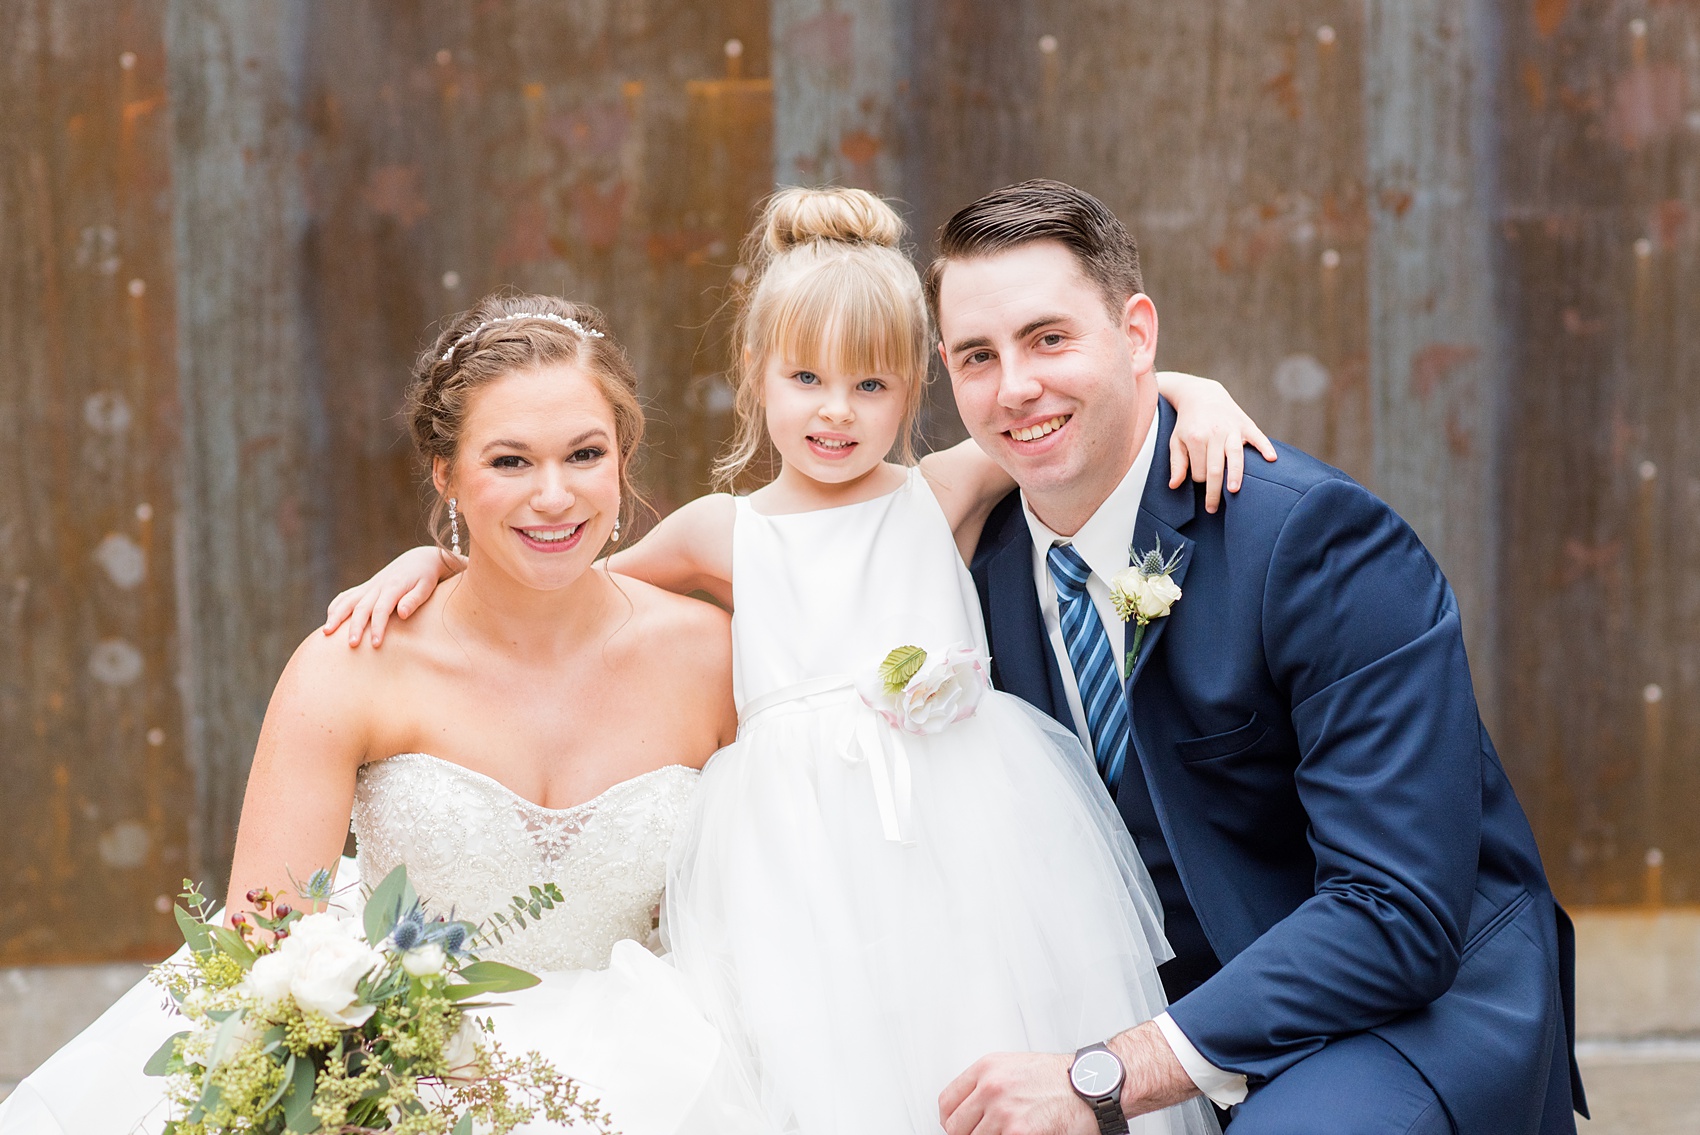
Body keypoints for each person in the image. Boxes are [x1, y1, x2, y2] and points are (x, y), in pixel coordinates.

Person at [322, 187, 1275, 1134]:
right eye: (806, 379)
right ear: (755, 372)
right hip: (793, 865)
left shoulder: (940, 490)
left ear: (918, 381)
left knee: (989, 1030)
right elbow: (559, 573)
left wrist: (1200, 393)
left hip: (971, 844)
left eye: (872, 385)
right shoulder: (720, 533)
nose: (838, 413)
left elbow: (1107, 402)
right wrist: (432, 559)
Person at [0, 296, 762, 1135]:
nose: (554, 495)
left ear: (623, 458)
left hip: (660, 1076)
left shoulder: (715, 659)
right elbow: (262, 946)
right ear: (445, 473)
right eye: (509, 461)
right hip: (397, 1075)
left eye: (585, 453)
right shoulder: (353, 664)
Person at [927, 180, 1585, 1135]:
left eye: (1050, 338)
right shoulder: (968, 565)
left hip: (1400, 1004)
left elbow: (1394, 909)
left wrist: (1111, 1070)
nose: (1014, 386)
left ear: (1138, 333)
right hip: (1132, 998)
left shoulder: (1312, 541)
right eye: (977, 357)